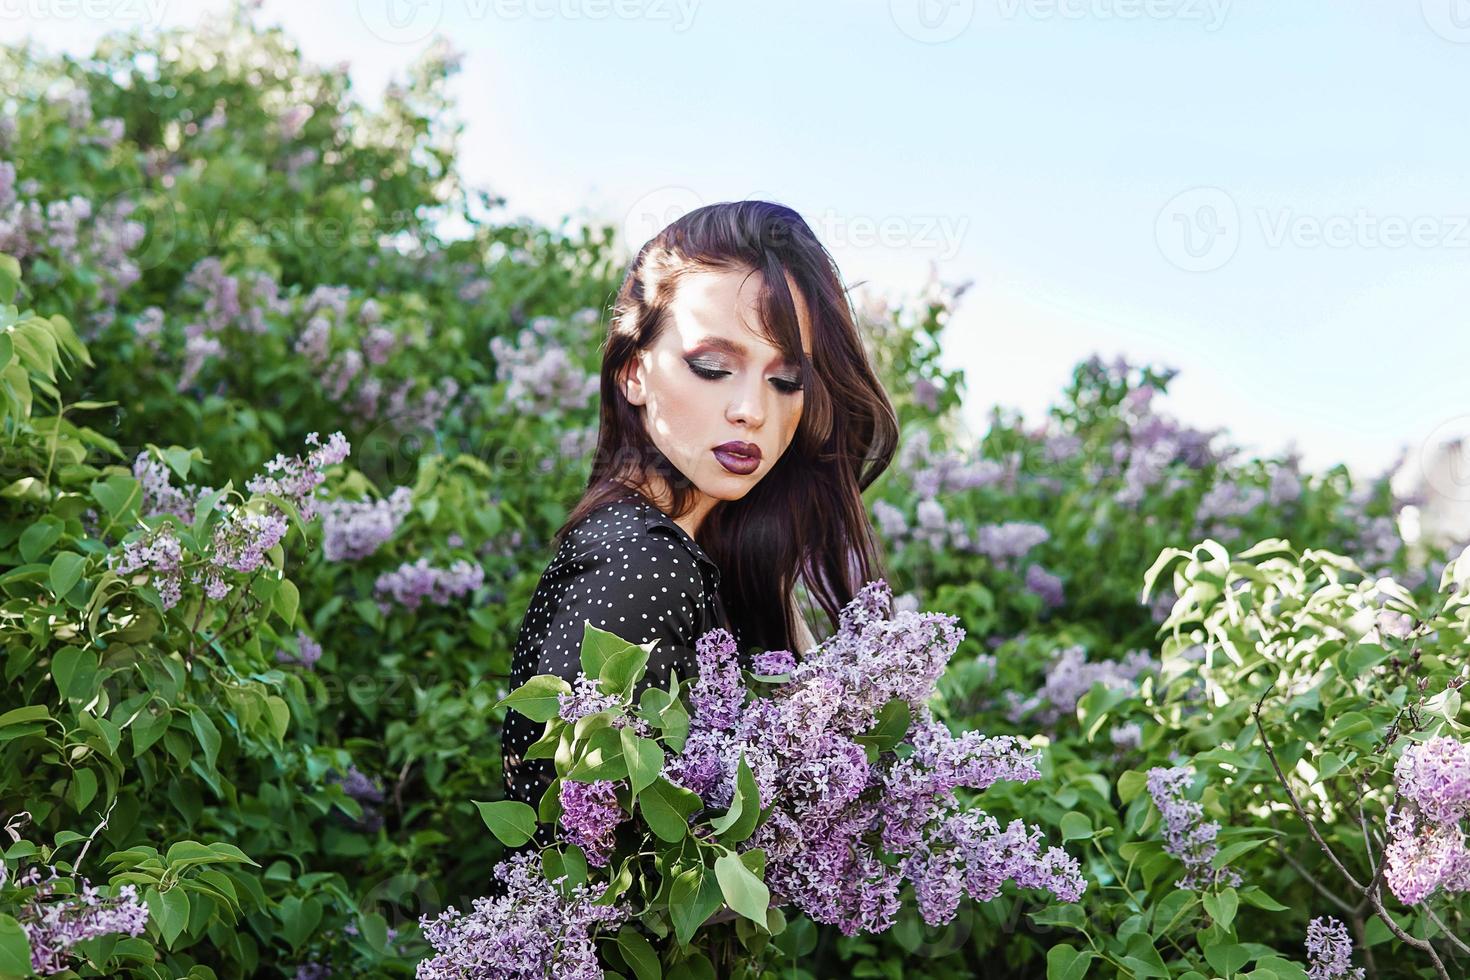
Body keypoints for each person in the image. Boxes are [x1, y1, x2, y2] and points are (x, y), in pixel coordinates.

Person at [499, 200, 899, 829]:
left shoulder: (709, 555)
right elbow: (585, 856)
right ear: (634, 371)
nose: (750, 410)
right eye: (712, 367)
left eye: (787, 379)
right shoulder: (644, 562)